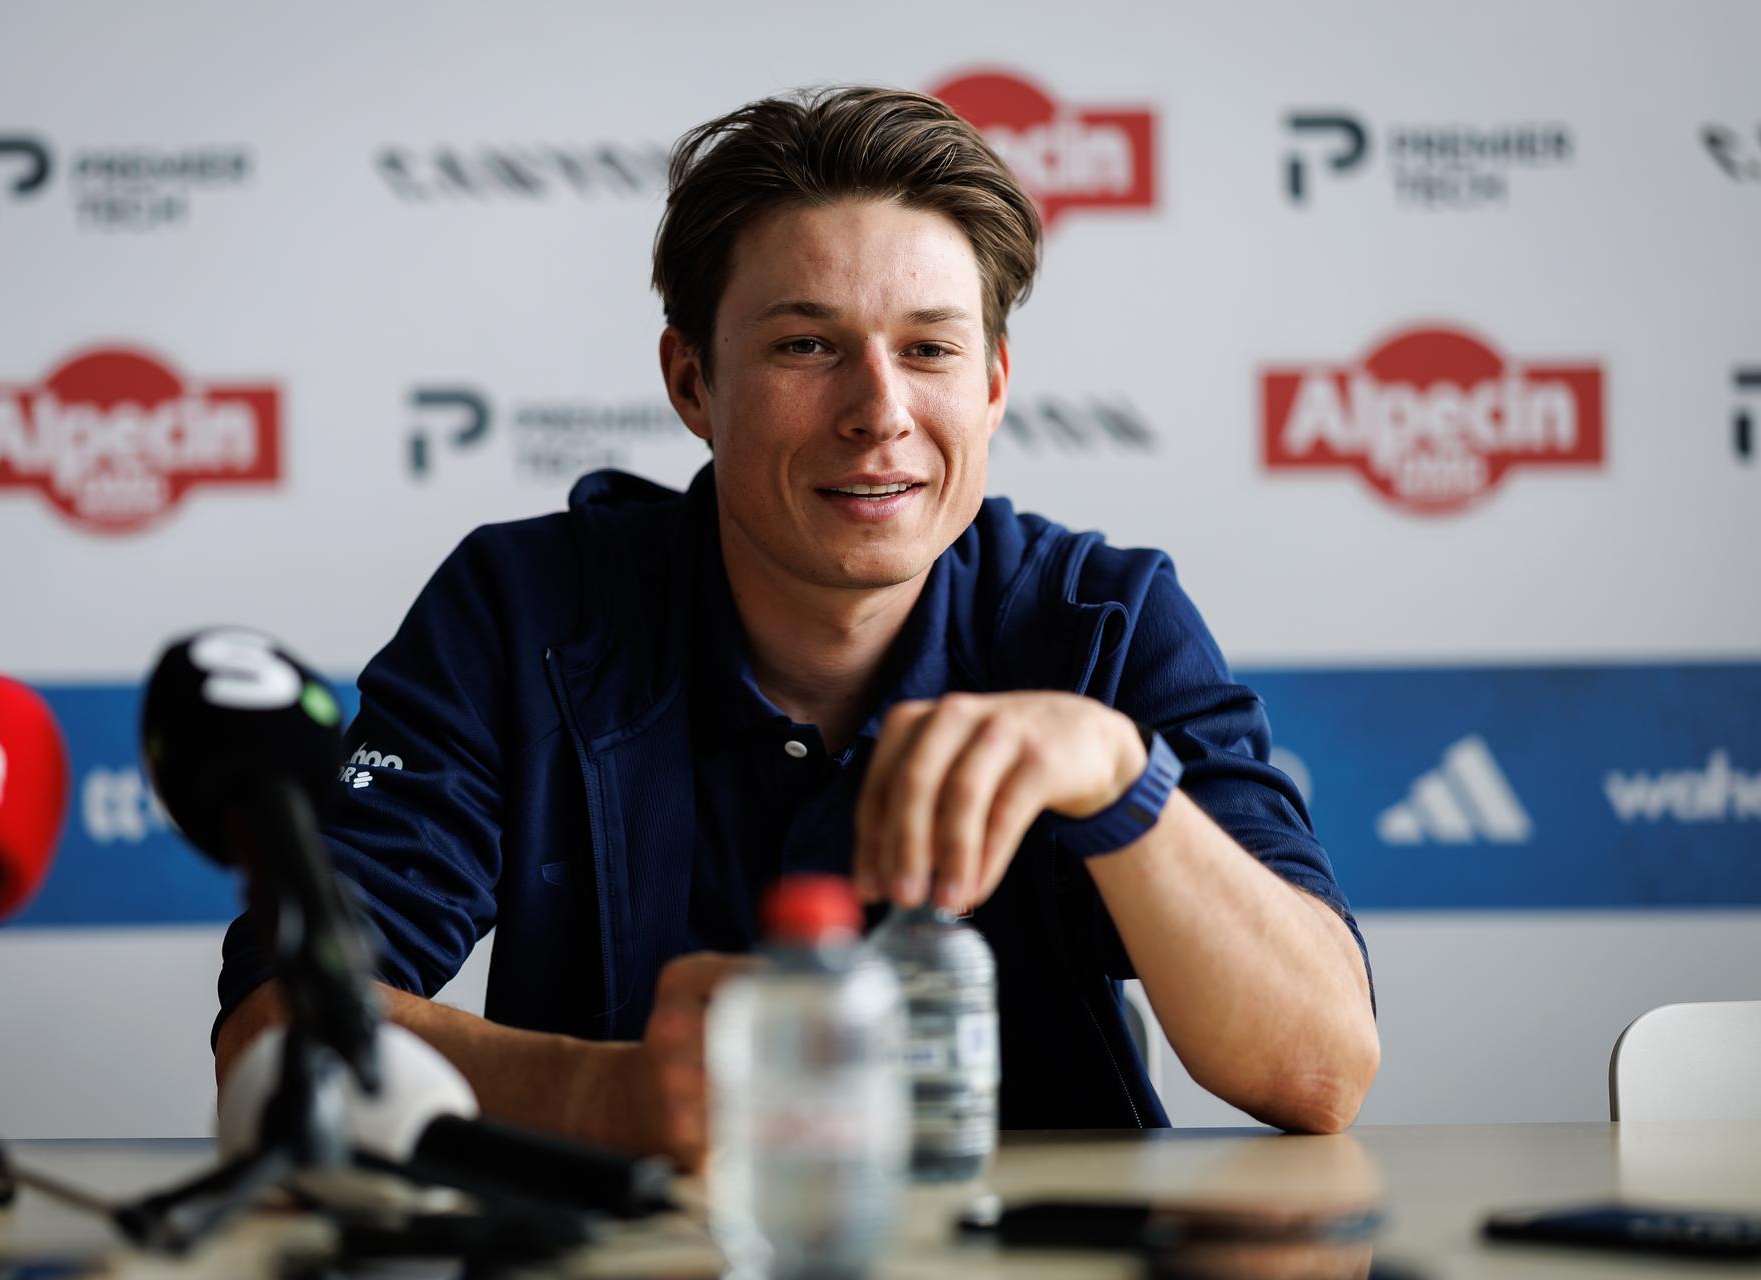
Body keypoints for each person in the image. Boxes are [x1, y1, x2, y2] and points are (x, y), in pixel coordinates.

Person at [214, 87, 1379, 1167]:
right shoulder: (522, 609)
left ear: (993, 384)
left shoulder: (1102, 620)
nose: (879, 413)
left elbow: (1321, 1067)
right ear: (692, 384)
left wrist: (1121, 785)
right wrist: (610, 1096)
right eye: (806, 346)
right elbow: (275, 1032)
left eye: (929, 349)